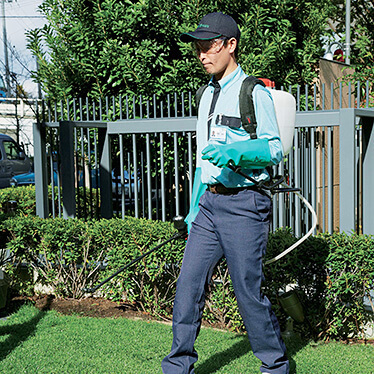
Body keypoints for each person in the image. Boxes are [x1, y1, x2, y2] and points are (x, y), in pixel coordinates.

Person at [162, 12, 289, 374]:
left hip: (245, 205)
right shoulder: (206, 96)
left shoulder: (254, 92)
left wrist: (237, 152)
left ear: (230, 45)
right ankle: (177, 365)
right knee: (188, 286)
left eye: (209, 46)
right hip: (210, 205)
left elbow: (275, 149)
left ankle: (275, 366)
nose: (202, 54)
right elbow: (203, 162)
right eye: (198, 48)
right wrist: (192, 209)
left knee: (247, 293)